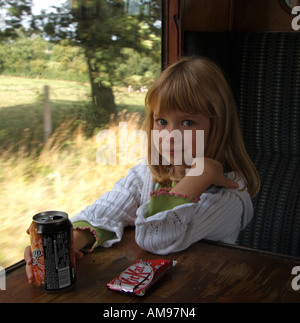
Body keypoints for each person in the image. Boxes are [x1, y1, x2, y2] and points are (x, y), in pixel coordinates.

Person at [25, 57, 260, 283]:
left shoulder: (231, 193)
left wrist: (201, 174)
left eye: (187, 123)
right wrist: (68, 241)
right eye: (162, 122)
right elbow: (110, 208)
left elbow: (156, 239)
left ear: (217, 126)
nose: (171, 136)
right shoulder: (149, 175)